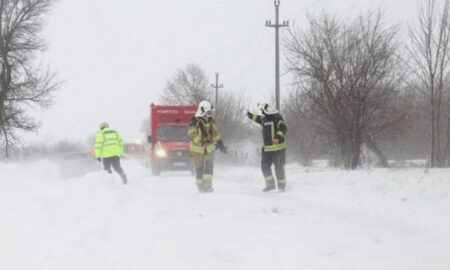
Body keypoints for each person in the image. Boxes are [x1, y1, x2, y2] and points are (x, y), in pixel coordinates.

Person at [188, 100, 228, 192]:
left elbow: (215, 134)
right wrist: (201, 143)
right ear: (203, 111)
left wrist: (221, 144)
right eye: (209, 111)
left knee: (209, 166)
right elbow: (192, 135)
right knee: (199, 169)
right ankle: (200, 186)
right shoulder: (193, 121)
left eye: (211, 111)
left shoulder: (211, 121)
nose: (210, 113)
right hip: (197, 150)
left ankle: (207, 185)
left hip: (209, 149)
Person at [247, 103, 287, 192]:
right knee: (264, 167)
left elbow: (283, 128)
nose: (262, 112)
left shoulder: (277, 117)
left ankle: (281, 186)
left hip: (278, 149)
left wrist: (277, 137)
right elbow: (257, 118)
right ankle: (270, 185)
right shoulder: (264, 119)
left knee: (279, 168)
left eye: (262, 111)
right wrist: (249, 115)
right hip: (267, 149)